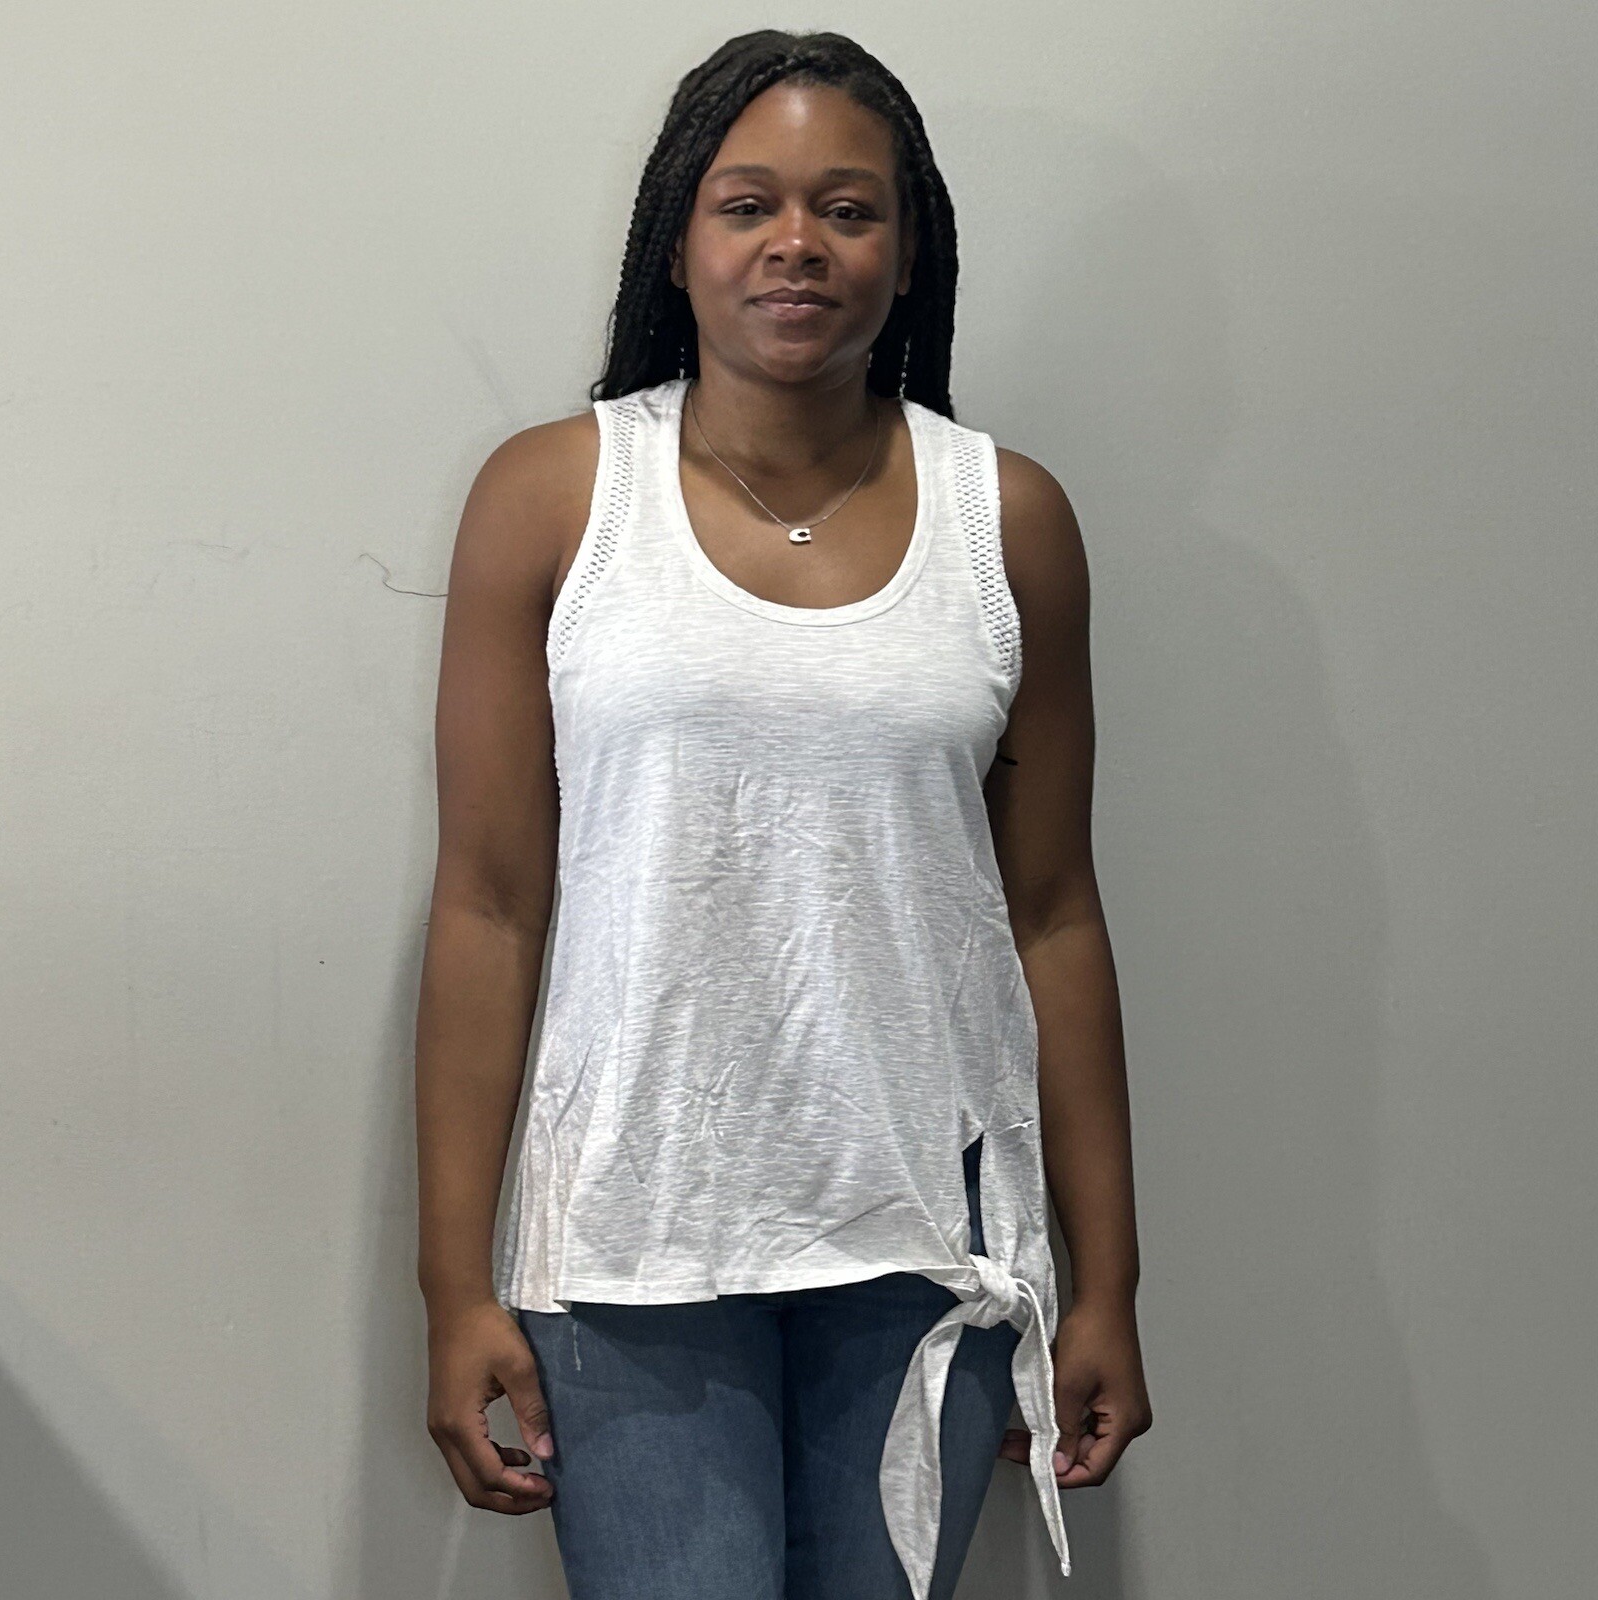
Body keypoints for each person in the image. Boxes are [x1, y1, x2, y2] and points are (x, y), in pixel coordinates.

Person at [415, 28, 1150, 1600]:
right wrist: (450, 1285)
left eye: (849, 209)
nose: (797, 243)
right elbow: (488, 905)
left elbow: (1052, 915)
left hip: (928, 1245)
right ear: (677, 239)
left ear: (909, 249)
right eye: (748, 204)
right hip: (629, 1242)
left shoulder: (1008, 521)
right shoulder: (553, 499)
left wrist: (1109, 1284)